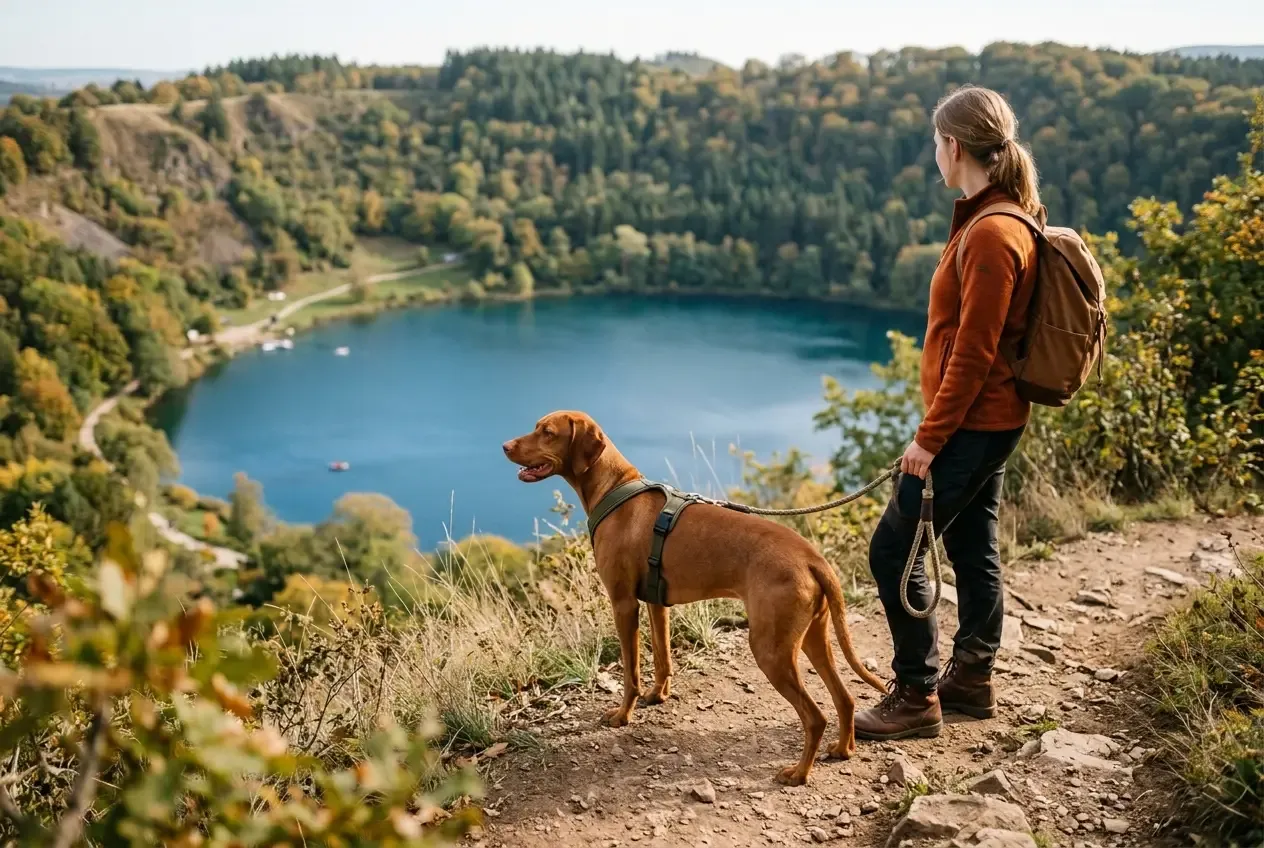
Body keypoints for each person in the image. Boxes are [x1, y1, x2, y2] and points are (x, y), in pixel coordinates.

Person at [854, 85, 1042, 741]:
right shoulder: (992, 216)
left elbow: (974, 353)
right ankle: (972, 678)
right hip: (990, 420)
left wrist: (927, 441)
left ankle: (916, 694)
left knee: (892, 550)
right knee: (971, 543)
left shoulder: (992, 233)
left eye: (936, 143)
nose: (935, 154)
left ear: (954, 146)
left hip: (972, 423)